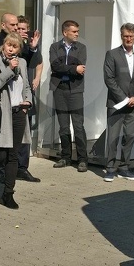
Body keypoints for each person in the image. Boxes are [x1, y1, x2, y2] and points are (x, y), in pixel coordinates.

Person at [0, 33, 33, 209]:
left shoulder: (23, 63)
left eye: (15, 46)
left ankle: (8, 194)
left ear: (19, 49)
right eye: (8, 45)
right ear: (3, 45)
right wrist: (9, 69)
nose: (11, 49)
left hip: (18, 113)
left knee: (13, 156)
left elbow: (26, 86)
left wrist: (27, 102)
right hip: (2, 114)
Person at [102, 23, 134, 182]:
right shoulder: (112, 54)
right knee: (113, 137)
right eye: (125, 36)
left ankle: (125, 167)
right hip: (116, 104)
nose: (128, 39)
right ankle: (110, 168)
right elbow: (109, 78)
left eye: (131, 36)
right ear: (121, 36)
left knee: (130, 136)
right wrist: (124, 98)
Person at [49, 20, 89, 172]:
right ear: (65, 33)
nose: (77, 34)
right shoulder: (54, 47)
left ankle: (82, 159)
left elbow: (81, 66)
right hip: (60, 89)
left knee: (78, 125)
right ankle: (65, 157)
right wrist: (73, 68)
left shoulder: (81, 48)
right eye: (74, 31)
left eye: (77, 31)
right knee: (63, 126)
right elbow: (55, 66)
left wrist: (67, 68)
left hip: (75, 90)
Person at [15, 15, 42, 182]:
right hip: (11, 97)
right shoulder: (8, 45)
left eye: (24, 29)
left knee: (26, 135)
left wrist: (32, 48)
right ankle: (8, 168)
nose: (22, 32)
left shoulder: (30, 47)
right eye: (19, 28)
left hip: (26, 95)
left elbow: (37, 63)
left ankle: (22, 168)